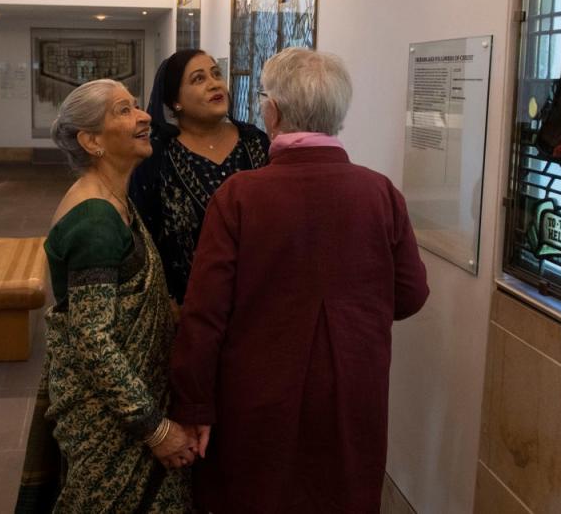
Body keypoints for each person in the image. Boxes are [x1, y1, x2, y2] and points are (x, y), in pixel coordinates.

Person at [168, 48, 430, 512]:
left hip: (257, 396)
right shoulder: (380, 192)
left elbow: (204, 316)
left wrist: (194, 408)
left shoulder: (239, 197)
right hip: (354, 391)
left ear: (273, 112)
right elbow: (410, 294)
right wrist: (353, 315)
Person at [17, 79, 195, 513]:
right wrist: (154, 429)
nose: (144, 116)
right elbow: (93, 340)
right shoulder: (95, 218)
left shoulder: (115, 201)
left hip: (125, 406)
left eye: (136, 106)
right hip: (111, 420)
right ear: (92, 140)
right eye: (123, 110)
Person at [129, 49, 269, 307]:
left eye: (216, 74)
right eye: (198, 79)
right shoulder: (157, 157)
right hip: (188, 307)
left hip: (261, 299)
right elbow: (142, 237)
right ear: (175, 102)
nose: (214, 83)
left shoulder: (256, 142)